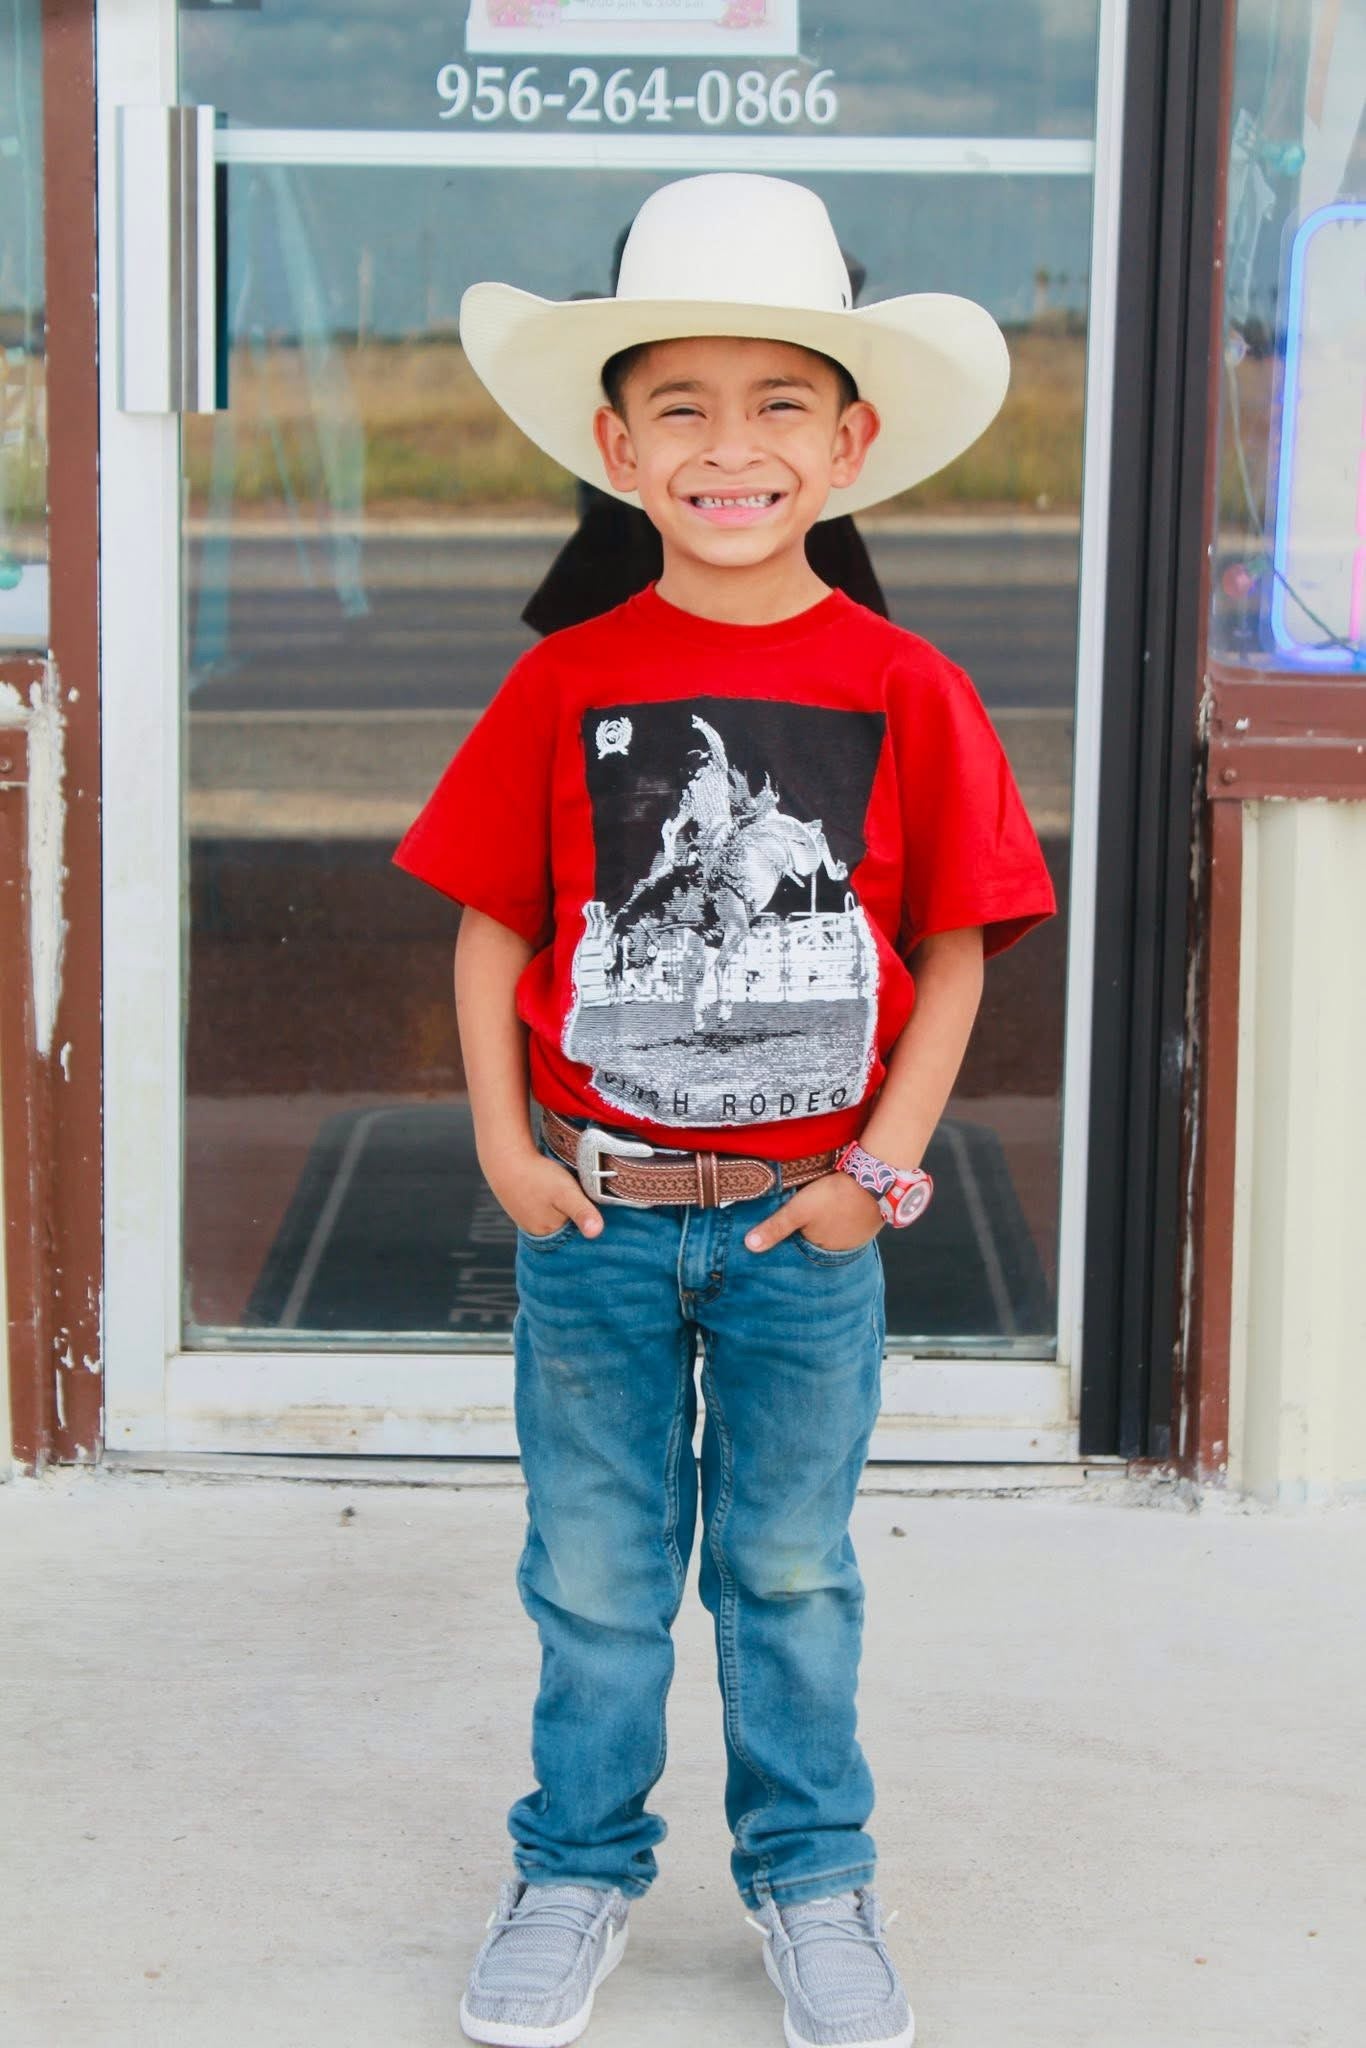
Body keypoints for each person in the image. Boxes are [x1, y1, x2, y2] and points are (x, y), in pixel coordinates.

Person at [394, 173, 1056, 2048]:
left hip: (801, 1228)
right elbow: (489, 932)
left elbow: (953, 954)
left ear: (847, 445)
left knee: (786, 1570)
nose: (729, 448)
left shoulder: (905, 687)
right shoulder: (565, 683)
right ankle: (574, 1871)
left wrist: (878, 1173)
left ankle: (812, 1881)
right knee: (596, 1580)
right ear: (616, 446)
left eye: (777, 406)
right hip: (594, 1219)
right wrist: (507, 1149)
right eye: (679, 406)